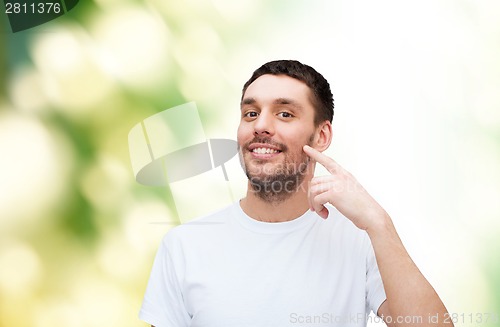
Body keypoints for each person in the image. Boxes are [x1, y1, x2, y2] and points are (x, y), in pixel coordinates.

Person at [139, 60, 453, 327]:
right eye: (251, 113)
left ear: (321, 135)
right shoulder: (183, 247)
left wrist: (378, 222)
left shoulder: (362, 242)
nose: (261, 125)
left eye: (284, 114)